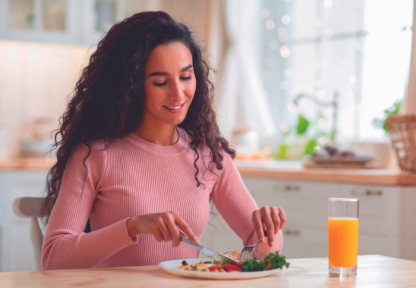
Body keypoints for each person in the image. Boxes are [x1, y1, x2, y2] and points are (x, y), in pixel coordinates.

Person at [41, 11, 286, 270]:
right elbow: (54, 258)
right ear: (131, 85)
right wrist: (132, 226)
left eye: (186, 77)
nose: (178, 94)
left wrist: (268, 231)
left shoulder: (209, 155)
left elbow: (261, 253)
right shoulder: (95, 156)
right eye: (160, 82)